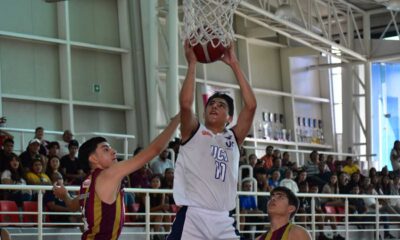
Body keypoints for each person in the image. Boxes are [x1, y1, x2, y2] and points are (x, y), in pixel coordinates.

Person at [167, 41, 256, 240]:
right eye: (211, 104)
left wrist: (234, 64)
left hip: (224, 218)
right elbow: (185, 104)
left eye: (221, 105)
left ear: (229, 118)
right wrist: (192, 64)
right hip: (193, 216)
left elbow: (250, 106)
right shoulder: (193, 131)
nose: (214, 106)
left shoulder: (233, 137)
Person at [53, 114, 180, 240]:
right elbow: (155, 150)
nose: (114, 151)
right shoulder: (107, 175)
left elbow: (73, 205)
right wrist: (178, 119)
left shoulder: (86, 183)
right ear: (93, 158)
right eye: (106, 149)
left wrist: (64, 195)